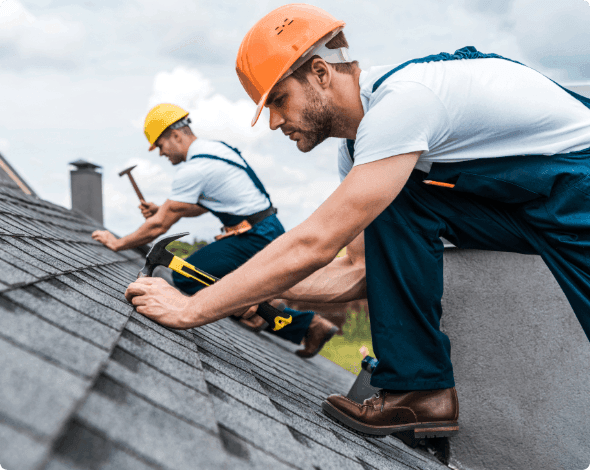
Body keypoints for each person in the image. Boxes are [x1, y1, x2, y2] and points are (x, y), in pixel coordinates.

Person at [125, 4, 590, 439]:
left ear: (321, 73)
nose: (273, 123)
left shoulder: (403, 105)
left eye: (279, 100)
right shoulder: (363, 155)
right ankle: (420, 390)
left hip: (578, 185)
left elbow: (315, 243)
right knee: (399, 200)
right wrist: (253, 292)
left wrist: (194, 307)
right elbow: (359, 270)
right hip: (528, 203)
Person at [93, 103, 339, 357]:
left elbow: (159, 225)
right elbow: (198, 207)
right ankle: (289, 317)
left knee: (185, 276)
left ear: (175, 135)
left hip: (253, 236)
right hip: (263, 229)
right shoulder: (216, 150)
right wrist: (163, 209)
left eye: (160, 145)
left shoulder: (195, 168)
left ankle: (267, 311)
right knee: (214, 277)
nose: (161, 153)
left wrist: (118, 243)